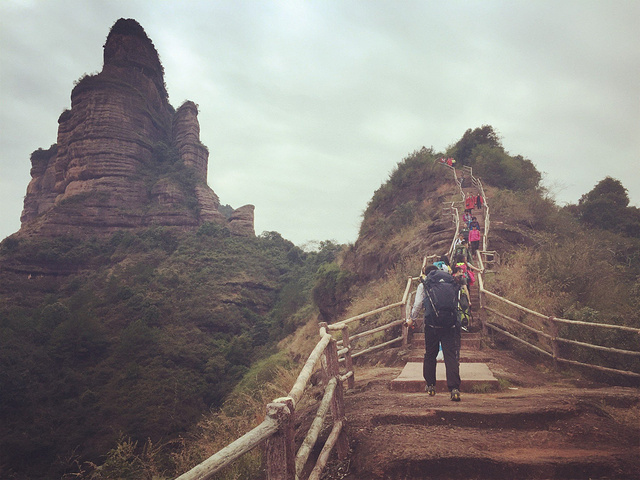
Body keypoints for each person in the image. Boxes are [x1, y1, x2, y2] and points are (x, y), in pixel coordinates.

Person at [410, 265, 462, 401]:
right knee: (450, 355)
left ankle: (431, 385)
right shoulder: (450, 282)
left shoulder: (425, 284)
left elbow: (417, 304)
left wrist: (411, 318)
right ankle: (454, 389)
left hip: (432, 324)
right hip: (449, 324)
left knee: (430, 354)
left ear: (425, 274)